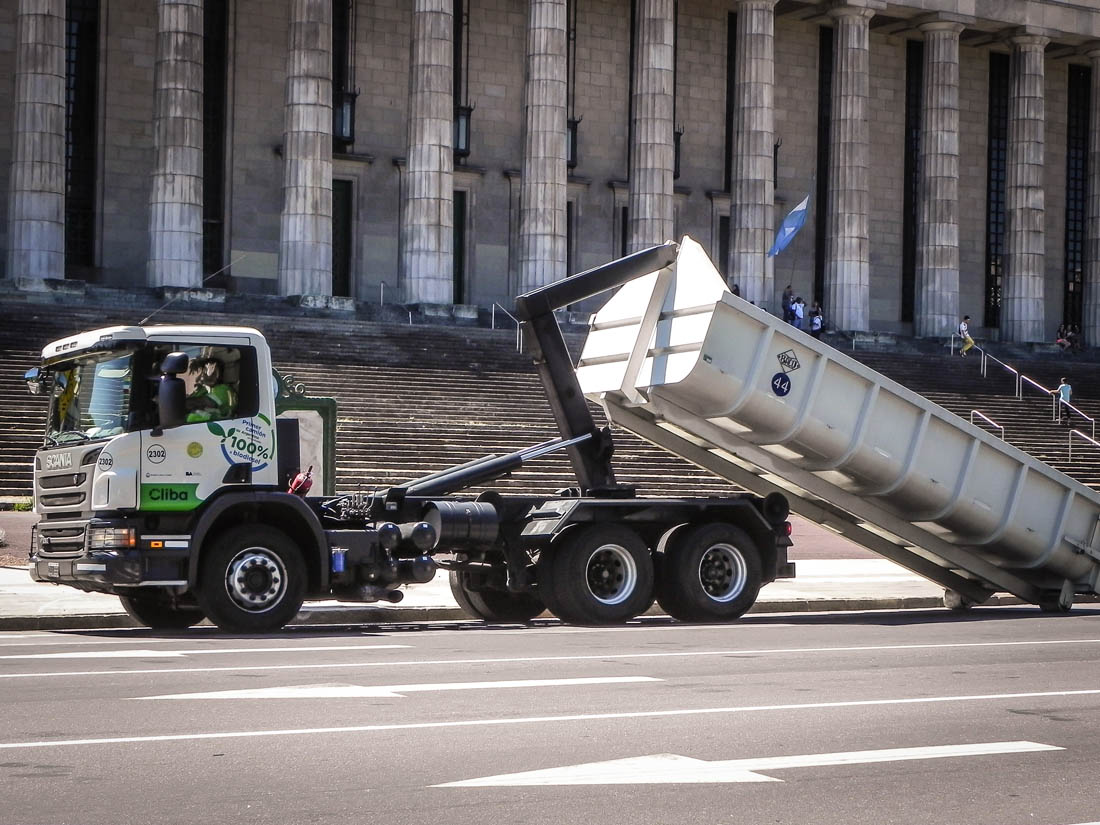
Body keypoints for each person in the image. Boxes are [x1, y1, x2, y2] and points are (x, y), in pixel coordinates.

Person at [186, 358, 237, 423]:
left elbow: (201, 403)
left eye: (205, 371)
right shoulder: (204, 389)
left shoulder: (223, 389)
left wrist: (177, 404)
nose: (201, 376)